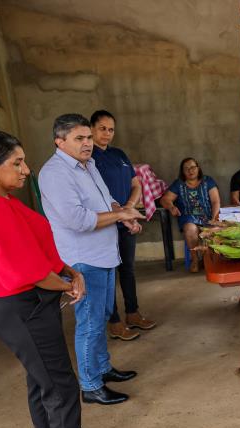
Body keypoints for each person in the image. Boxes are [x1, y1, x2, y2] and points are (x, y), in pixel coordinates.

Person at [0, 130, 125, 428]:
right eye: (16, 163)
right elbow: (25, 268)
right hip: (21, 309)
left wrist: (71, 272)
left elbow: (38, 247)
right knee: (61, 388)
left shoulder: (2, 201)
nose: (25, 169)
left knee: (41, 384)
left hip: (32, 304)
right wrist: (67, 283)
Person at [40, 114, 142, 406]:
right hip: (83, 259)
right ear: (60, 142)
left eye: (88, 137)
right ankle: (90, 385)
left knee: (101, 315)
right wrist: (120, 215)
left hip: (105, 253)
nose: (88, 143)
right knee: (90, 322)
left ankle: (102, 368)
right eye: (79, 139)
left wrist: (124, 216)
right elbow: (77, 220)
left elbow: (106, 200)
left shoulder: (89, 164)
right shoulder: (55, 172)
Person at [90, 110, 157, 342]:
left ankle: (133, 313)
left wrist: (129, 208)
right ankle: (114, 322)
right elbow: (96, 195)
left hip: (125, 220)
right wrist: (120, 213)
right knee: (109, 273)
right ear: (91, 129)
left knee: (127, 269)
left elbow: (135, 184)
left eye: (111, 129)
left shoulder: (119, 154)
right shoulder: (88, 158)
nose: (107, 134)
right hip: (105, 223)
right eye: (102, 128)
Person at [159, 157, 220, 273]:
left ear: (198, 168)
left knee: (217, 229)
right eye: (186, 169)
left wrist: (214, 218)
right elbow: (165, 199)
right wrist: (171, 207)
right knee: (190, 229)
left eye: (193, 167)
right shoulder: (179, 184)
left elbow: (215, 201)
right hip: (189, 218)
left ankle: (210, 259)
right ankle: (195, 259)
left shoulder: (208, 181)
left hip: (208, 217)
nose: (190, 171)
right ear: (182, 171)